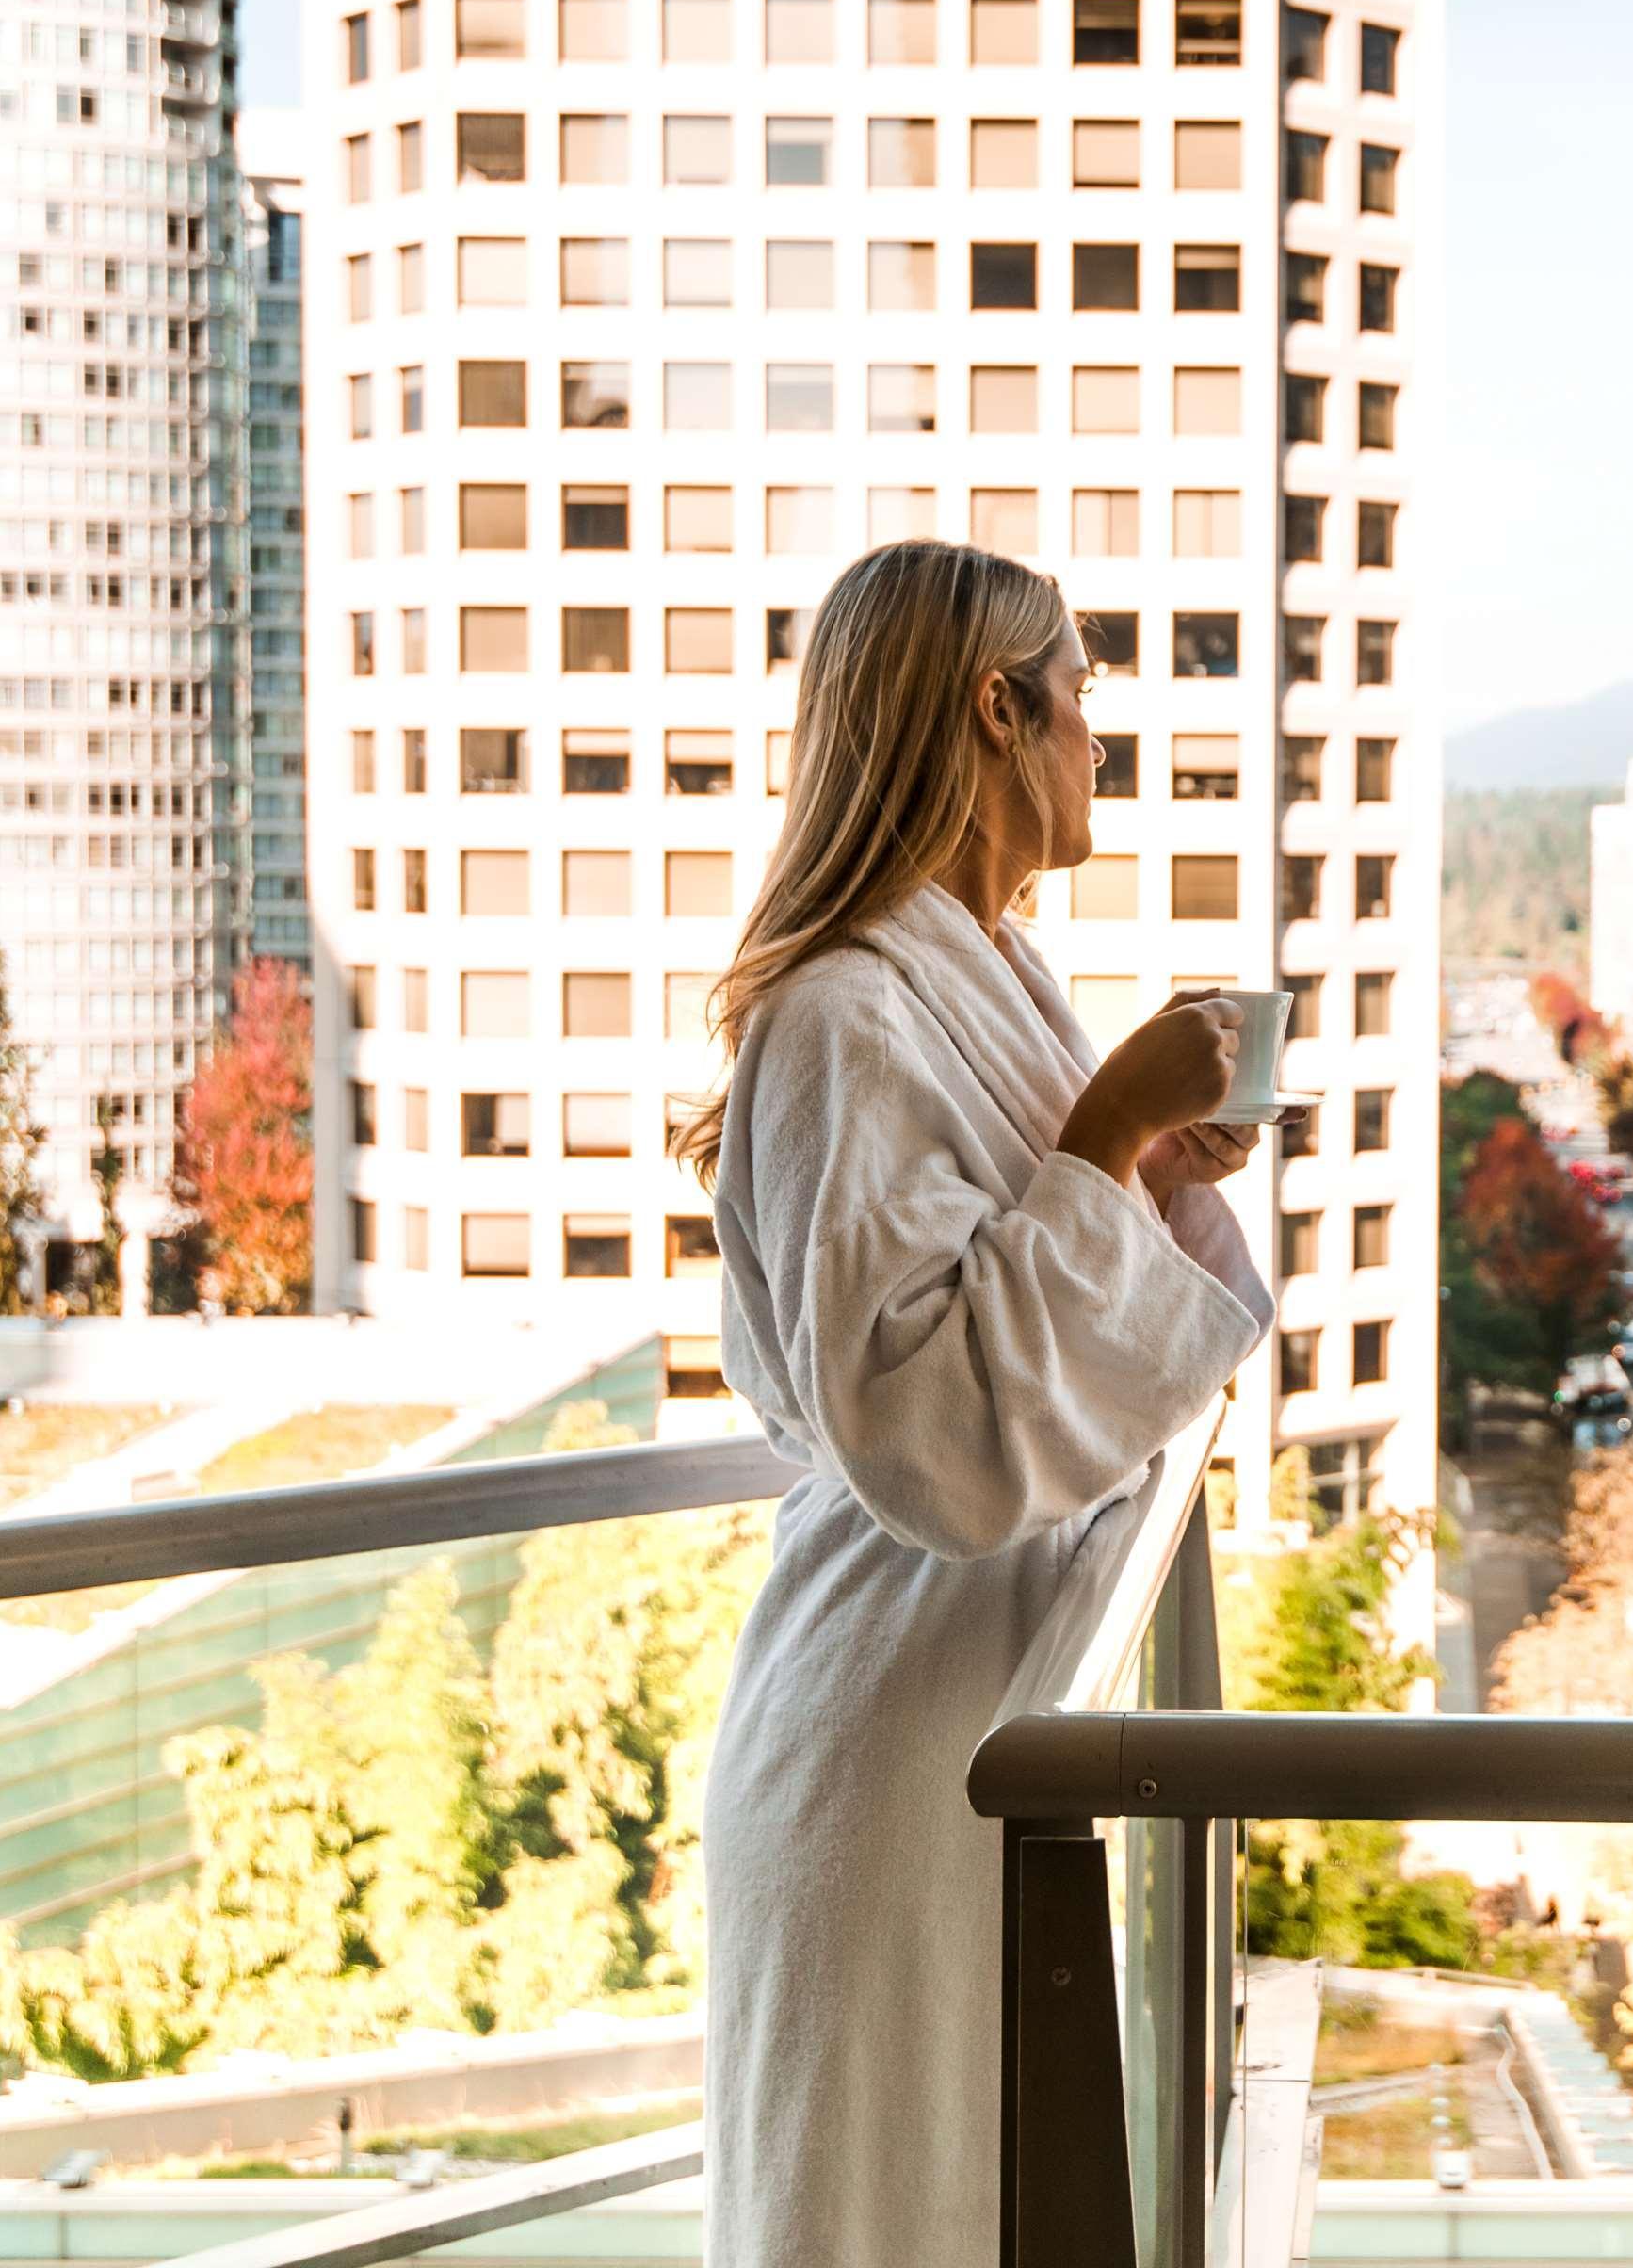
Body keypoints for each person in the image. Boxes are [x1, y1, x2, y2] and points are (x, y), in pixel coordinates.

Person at [678, 541, 1274, 2265]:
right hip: (890, 1735)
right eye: (1081, 692)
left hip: (989, 1706)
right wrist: (1099, 1139)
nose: (1102, 735)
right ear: (998, 711)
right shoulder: (840, 1013)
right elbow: (927, 1428)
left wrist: (1145, 1160)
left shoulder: (984, 970)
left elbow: (1055, 1314)